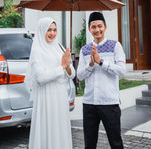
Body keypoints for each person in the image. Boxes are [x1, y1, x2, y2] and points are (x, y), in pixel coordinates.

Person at [77, 12, 126, 149]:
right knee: (89, 143)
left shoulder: (115, 45)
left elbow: (122, 70)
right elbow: (80, 75)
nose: (97, 30)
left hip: (109, 102)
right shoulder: (85, 50)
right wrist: (91, 64)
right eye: (93, 27)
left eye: (100, 26)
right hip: (89, 103)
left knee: (115, 142)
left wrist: (101, 62)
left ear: (105, 27)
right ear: (89, 29)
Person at [25, 17, 75, 149]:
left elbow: (73, 74)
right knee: (47, 130)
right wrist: (62, 68)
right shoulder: (37, 51)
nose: (52, 33)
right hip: (46, 99)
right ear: (42, 31)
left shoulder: (59, 47)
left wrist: (68, 66)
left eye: (54, 30)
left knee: (59, 130)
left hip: (60, 98)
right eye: (49, 30)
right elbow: (40, 78)